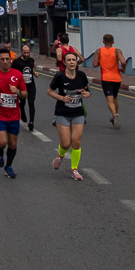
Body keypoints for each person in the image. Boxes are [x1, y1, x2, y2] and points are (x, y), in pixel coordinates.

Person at [0, 47, 27, 178]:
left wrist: (17, 92)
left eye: (8, 59)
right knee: (2, 142)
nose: (6, 62)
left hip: (13, 114)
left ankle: (8, 166)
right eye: (3, 59)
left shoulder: (17, 75)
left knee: (13, 143)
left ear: (11, 60)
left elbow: (25, 94)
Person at [47, 51, 90, 180]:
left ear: (76, 62)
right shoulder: (60, 76)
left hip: (78, 112)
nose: (72, 62)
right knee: (66, 144)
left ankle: (74, 169)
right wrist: (61, 98)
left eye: (73, 60)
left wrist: (87, 94)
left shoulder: (81, 75)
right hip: (62, 112)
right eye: (69, 60)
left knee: (76, 141)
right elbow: (49, 91)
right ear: (64, 63)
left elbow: (86, 90)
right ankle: (60, 155)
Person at [92, 33, 126, 129]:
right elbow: (123, 62)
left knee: (109, 100)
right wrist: (123, 69)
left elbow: (94, 64)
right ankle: (115, 115)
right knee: (115, 97)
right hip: (117, 78)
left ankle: (114, 115)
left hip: (106, 78)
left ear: (103, 42)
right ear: (113, 42)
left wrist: (100, 61)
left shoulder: (99, 51)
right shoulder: (117, 51)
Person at [11, 44, 37, 132]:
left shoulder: (31, 60)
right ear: (21, 52)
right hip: (21, 86)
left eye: (28, 53)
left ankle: (31, 122)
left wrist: (34, 73)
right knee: (22, 102)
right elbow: (12, 72)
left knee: (31, 103)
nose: (26, 54)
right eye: (24, 53)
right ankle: (22, 112)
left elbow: (31, 68)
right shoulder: (17, 62)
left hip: (31, 85)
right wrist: (19, 78)